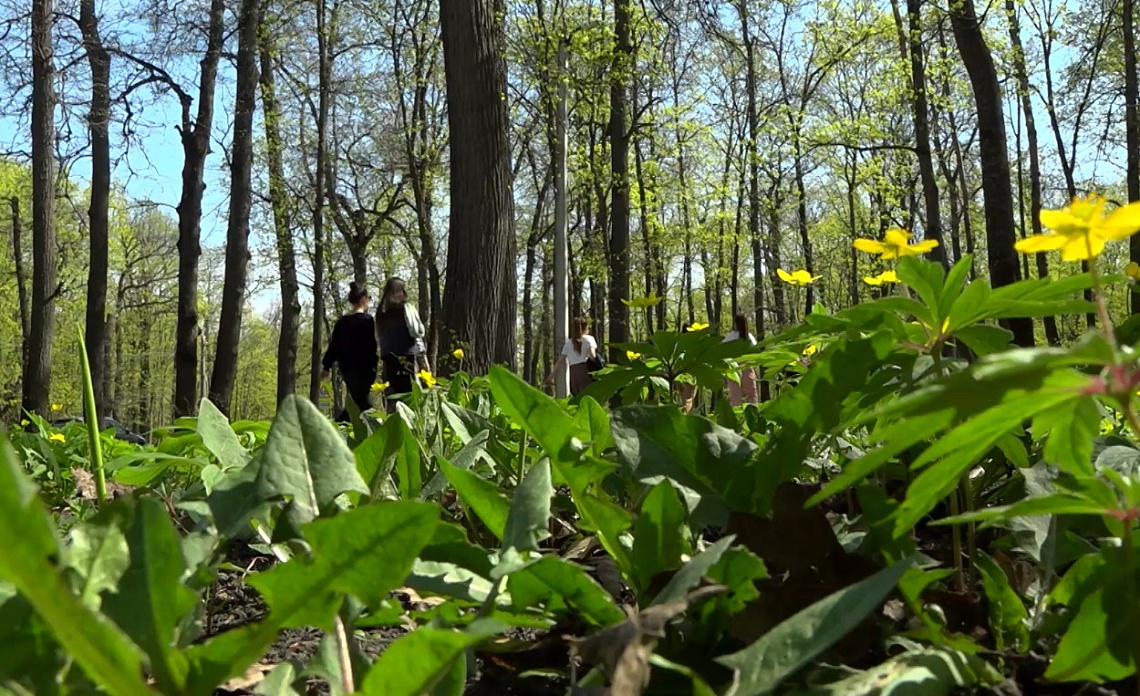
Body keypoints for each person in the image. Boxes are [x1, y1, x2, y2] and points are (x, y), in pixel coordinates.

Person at [321, 282, 378, 422]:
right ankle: (342, 426)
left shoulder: (342, 323)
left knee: (357, 401)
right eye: (369, 298)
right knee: (362, 403)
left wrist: (326, 365)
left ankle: (345, 428)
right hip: (365, 369)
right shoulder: (368, 321)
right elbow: (373, 346)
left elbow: (334, 346)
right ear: (364, 299)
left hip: (348, 369)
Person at [375, 276, 430, 412]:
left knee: (393, 396)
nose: (404, 294)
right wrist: (423, 359)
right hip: (407, 355)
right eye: (401, 291)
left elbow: (378, 338)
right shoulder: (406, 309)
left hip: (389, 358)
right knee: (411, 395)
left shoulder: (380, 313)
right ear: (395, 292)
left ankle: (394, 423)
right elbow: (416, 333)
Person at [544, 317, 598, 396]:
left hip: (574, 373)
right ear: (585, 328)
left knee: (577, 397)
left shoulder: (569, 343)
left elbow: (559, 362)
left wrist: (550, 378)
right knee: (590, 396)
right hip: (586, 370)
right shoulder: (589, 339)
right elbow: (593, 357)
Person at [723, 313, 758, 406]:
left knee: (735, 396)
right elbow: (756, 350)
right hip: (747, 366)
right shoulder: (749, 337)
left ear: (735, 324)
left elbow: (721, 350)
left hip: (733, 368)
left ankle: (736, 415)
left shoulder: (730, 337)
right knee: (752, 395)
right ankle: (754, 413)